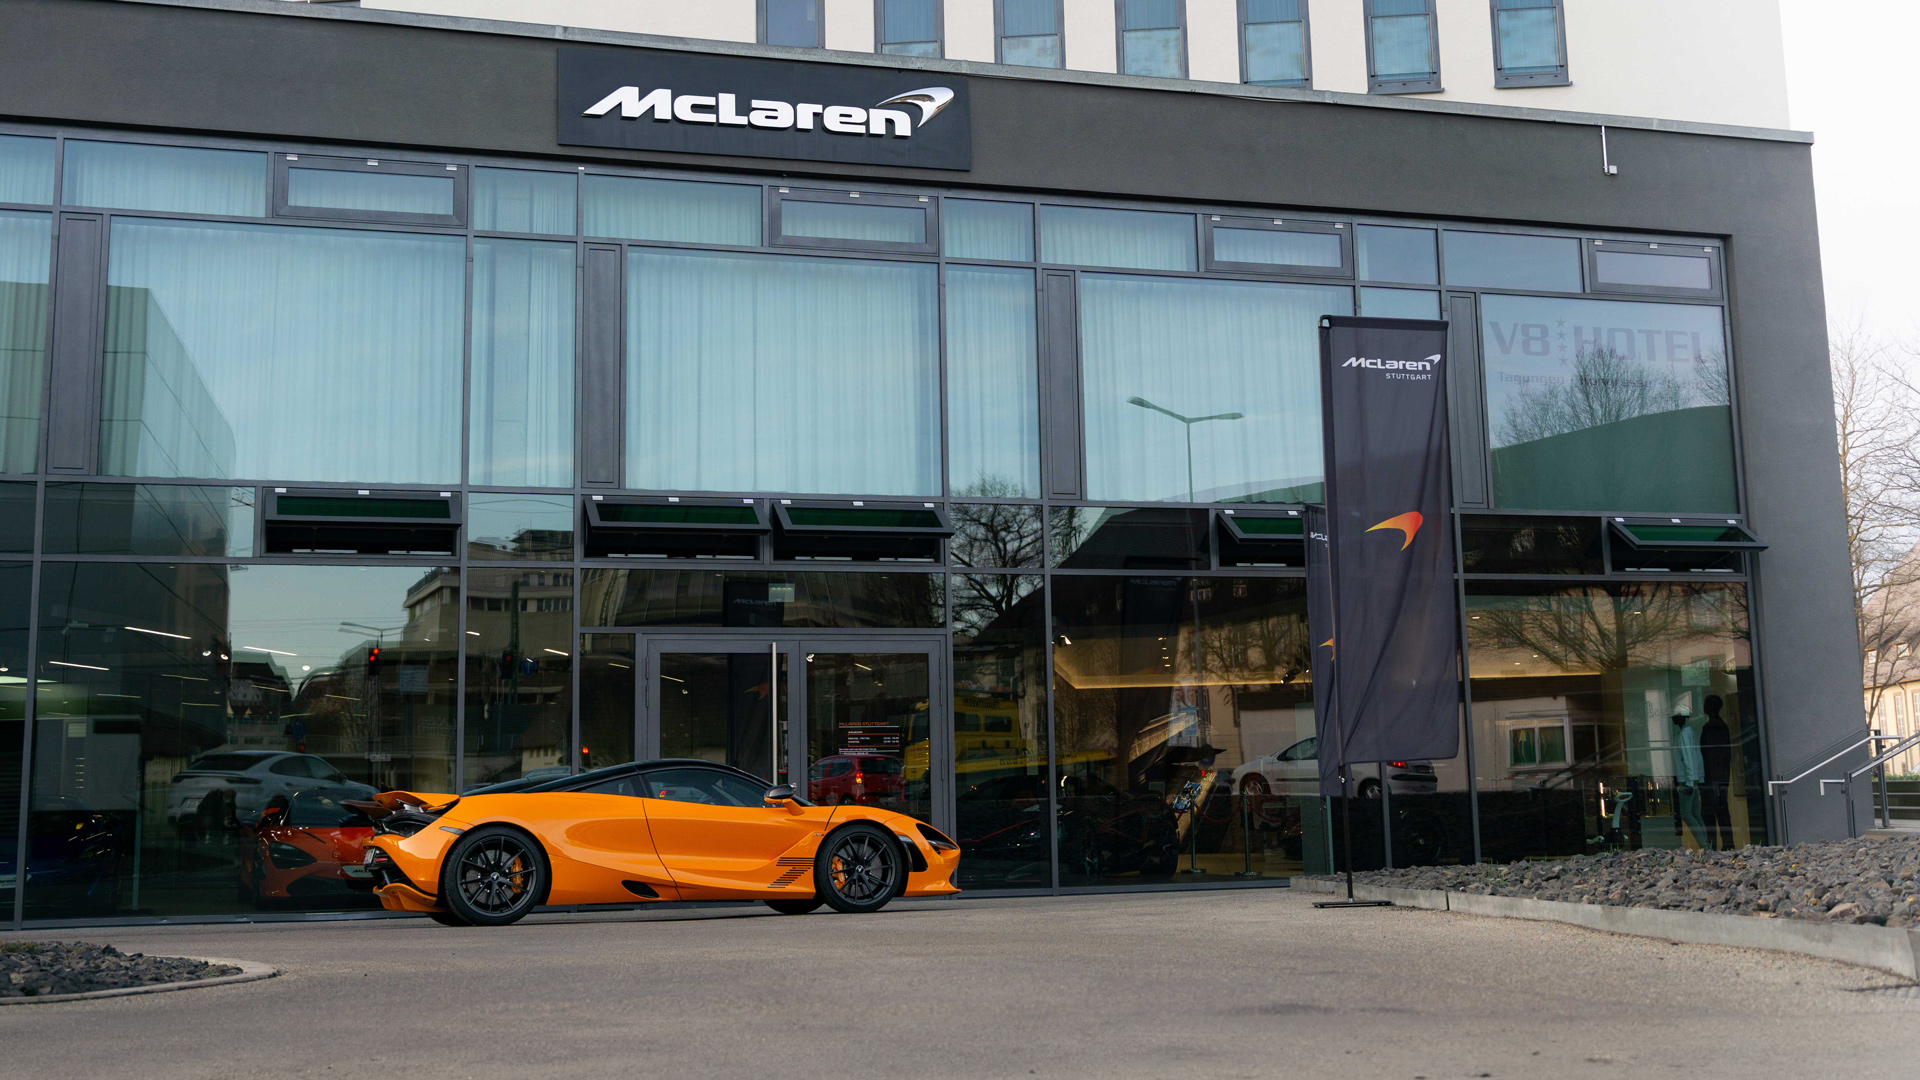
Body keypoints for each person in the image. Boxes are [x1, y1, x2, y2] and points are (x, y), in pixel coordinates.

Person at [1699, 695, 1736, 850]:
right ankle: (1725, 845)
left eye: (1706, 704)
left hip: (1713, 777)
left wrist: (1710, 780)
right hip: (1719, 776)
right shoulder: (1719, 726)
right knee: (1721, 811)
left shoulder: (1713, 727)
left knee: (1711, 813)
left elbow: (1713, 756)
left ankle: (1714, 846)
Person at [1671, 711, 1707, 848]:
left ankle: (1705, 846)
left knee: (1686, 814)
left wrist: (1690, 780)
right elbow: (1696, 757)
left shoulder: (1684, 734)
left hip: (1686, 779)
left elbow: (1688, 758)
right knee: (1695, 813)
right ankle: (1706, 845)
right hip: (1692, 778)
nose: (1673, 719)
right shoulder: (1689, 733)